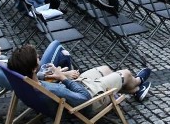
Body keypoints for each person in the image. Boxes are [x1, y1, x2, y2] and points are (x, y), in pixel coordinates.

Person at [8, 43, 152, 108]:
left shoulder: (26, 81)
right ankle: (137, 83)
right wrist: (63, 78)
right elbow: (84, 98)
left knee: (106, 69)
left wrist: (59, 75)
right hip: (88, 98)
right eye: (37, 58)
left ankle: (134, 90)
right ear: (33, 68)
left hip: (76, 88)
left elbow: (39, 78)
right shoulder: (51, 90)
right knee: (126, 73)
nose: (40, 57)